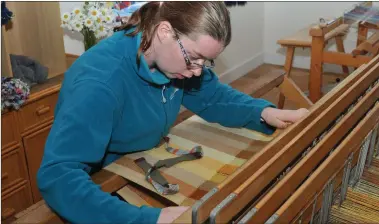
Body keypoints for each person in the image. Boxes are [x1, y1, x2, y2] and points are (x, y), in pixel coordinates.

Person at [37, 2, 309, 224]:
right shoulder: (99, 84)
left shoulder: (175, 62)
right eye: (194, 57)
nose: (199, 70)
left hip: (143, 157)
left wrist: (263, 113)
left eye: (207, 61)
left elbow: (212, 96)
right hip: (105, 187)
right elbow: (58, 176)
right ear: (164, 31)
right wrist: (147, 219)